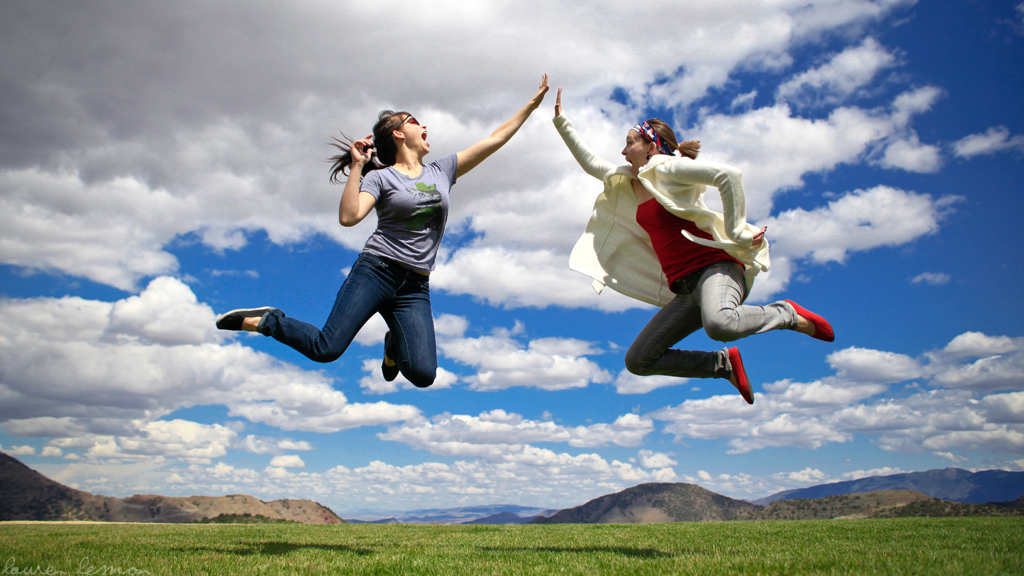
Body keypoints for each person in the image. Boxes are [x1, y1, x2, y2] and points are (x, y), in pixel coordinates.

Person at [216, 75, 551, 388]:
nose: (426, 126)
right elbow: (349, 217)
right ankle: (269, 320)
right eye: (416, 121)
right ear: (399, 134)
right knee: (326, 348)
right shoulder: (380, 177)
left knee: (422, 375)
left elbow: (495, 138)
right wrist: (358, 166)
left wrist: (531, 106)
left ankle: (394, 342)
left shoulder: (441, 171)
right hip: (376, 272)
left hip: (415, 286)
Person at [551, 88, 833, 404]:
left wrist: (736, 232)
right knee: (639, 360)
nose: (622, 150)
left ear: (650, 146)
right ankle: (721, 364)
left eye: (629, 142)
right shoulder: (632, 179)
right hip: (686, 289)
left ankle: (786, 313)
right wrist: (561, 121)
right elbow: (591, 164)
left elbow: (729, 175)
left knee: (720, 323)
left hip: (716, 269)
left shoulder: (668, 168)